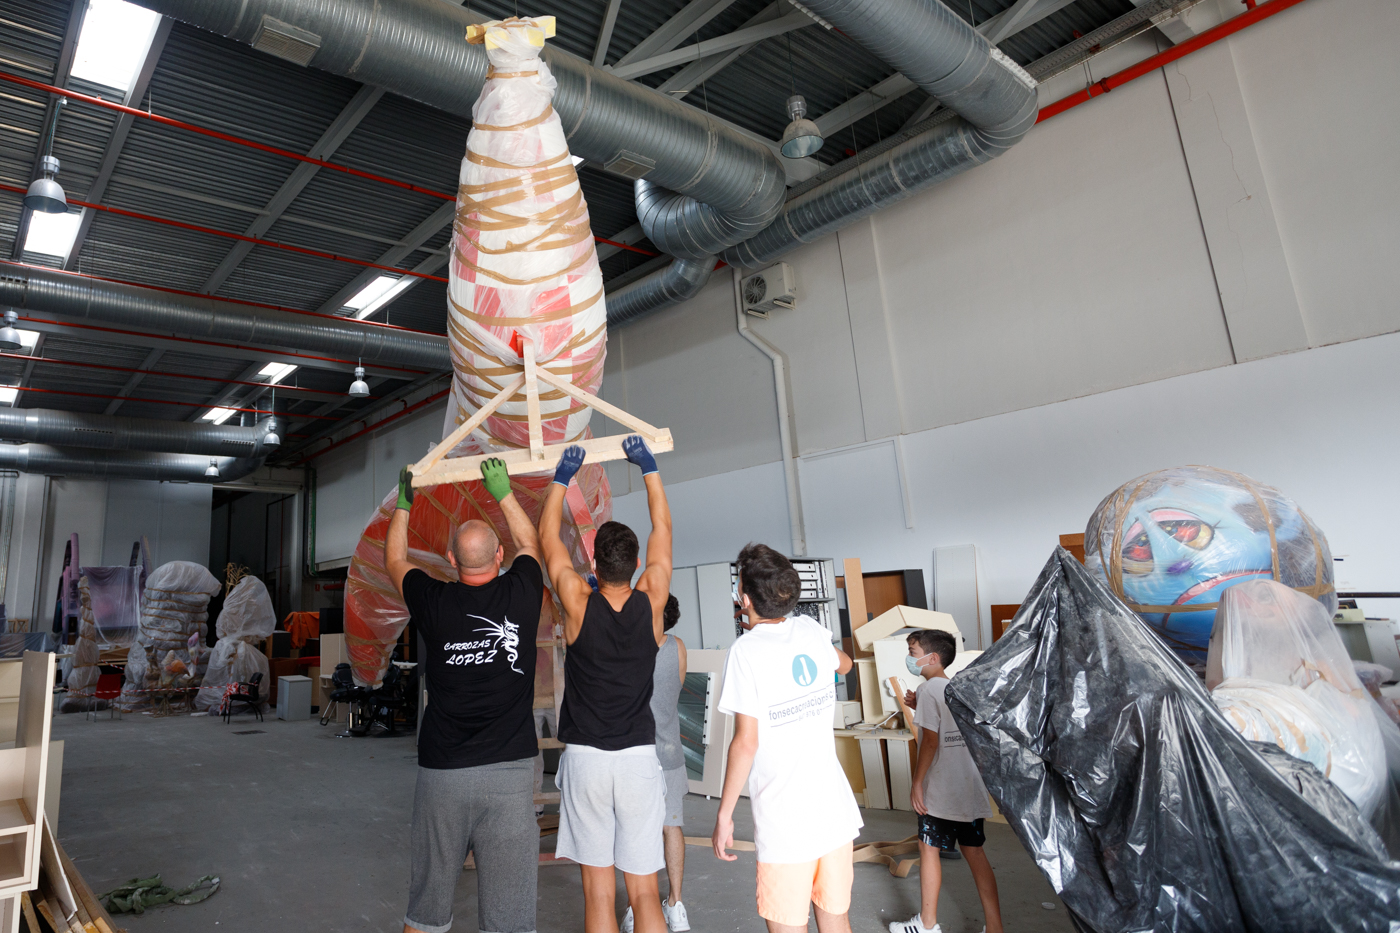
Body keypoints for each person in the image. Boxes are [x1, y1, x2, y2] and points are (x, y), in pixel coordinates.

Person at [385, 460, 544, 933]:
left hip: (443, 775)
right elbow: (531, 545)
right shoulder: (522, 592)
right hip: (511, 775)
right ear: (500, 556)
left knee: (428, 904)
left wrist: (404, 505)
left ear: (452, 561)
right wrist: (504, 493)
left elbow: (395, 561)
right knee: (510, 917)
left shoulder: (433, 601)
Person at [539, 437, 673, 933]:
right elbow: (664, 527)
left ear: (593, 566)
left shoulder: (576, 601)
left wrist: (561, 476)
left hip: (587, 761)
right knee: (644, 891)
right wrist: (649, 468)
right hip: (638, 759)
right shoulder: (653, 599)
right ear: (637, 566)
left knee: (598, 893)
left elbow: (548, 538)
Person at [712, 543, 862, 933]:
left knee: (786, 926)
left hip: (785, 821)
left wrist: (725, 815)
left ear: (744, 599)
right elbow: (844, 665)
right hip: (833, 811)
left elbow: (746, 742)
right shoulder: (812, 630)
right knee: (836, 919)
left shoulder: (746, 651)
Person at [889, 629, 1003, 933]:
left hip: (940, 789)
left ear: (933, 657)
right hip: (967, 785)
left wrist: (917, 783)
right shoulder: (954, 688)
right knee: (975, 853)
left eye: (913, 652)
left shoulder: (928, 691)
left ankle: (927, 924)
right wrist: (919, 707)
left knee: (928, 849)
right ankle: (995, 927)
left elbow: (930, 742)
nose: (910, 659)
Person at [624, 595, 690, 933]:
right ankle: (676, 906)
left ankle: (640, 906)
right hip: (671, 752)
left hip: (636, 754)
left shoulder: (629, 650)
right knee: (671, 826)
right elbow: (674, 689)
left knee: (638, 831)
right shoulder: (677, 647)